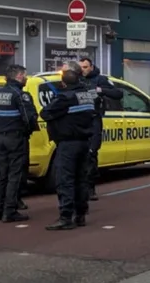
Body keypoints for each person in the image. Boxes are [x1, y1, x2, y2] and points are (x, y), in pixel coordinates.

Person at [41, 66, 97, 230]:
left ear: (64, 83)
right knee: (81, 180)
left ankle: (66, 217)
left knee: (65, 180)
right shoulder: (87, 95)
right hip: (84, 142)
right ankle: (80, 215)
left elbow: (45, 113)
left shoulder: (65, 98)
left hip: (68, 144)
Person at [0, 65, 37, 223]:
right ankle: (10, 210)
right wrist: (26, 131)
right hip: (16, 138)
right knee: (15, 175)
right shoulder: (20, 95)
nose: (26, 79)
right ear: (19, 76)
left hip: (0, 137)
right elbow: (29, 118)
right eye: (25, 76)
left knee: (0, 175)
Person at [78, 57, 123, 201]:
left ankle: (90, 188)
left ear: (91, 67)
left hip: (94, 119)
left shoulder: (100, 79)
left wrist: (100, 90)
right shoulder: (76, 79)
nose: (83, 70)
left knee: (91, 153)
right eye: (81, 67)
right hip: (79, 121)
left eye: (85, 67)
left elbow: (118, 93)